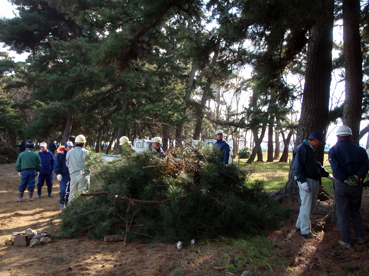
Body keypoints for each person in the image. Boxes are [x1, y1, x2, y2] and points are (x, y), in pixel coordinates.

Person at [328, 125, 369, 248]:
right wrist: (357, 177)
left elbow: (336, 169)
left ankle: (346, 241)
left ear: (338, 137)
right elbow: (365, 166)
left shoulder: (333, 150)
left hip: (341, 185)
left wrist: (345, 179)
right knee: (355, 211)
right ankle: (361, 237)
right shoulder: (361, 150)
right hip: (357, 185)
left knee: (343, 214)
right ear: (350, 137)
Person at [293, 130, 334, 239]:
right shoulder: (302, 149)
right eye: (320, 142)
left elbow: (316, 165)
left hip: (313, 179)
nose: (320, 144)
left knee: (308, 205)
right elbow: (297, 167)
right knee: (307, 205)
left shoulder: (311, 150)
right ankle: (305, 230)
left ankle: (299, 225)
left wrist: (327, 175)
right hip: (307, 180)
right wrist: (302, 181)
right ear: (315, 140)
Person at [66, 134, 90, 201]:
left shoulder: (69, 153)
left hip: (73, 175)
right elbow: (90, 164)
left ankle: (70, 209)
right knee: (83, 194)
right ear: (84, 144)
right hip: (83, 175)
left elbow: (67, 164)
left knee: (72, 194)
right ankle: (82, 209)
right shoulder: (86, 152)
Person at [54, 141, 74, 209]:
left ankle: (68, 202)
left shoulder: (72, 154)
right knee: (63, 190)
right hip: (63, 174)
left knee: (69, 189)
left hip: (71, 174)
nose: (71, 148)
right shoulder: (60, 155)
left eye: (72, 147)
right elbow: (57, 164)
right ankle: (62, 204)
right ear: (65, 147)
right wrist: (58, 173)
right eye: (69, 147)